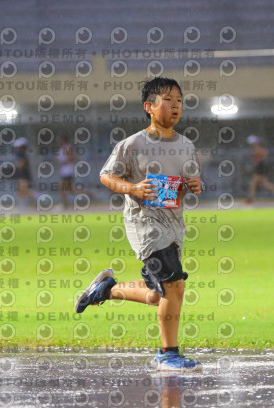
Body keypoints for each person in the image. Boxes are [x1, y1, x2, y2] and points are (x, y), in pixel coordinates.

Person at [74, 77, 204, 372]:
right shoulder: (133, 144)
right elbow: (106, 175)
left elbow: (185, 184)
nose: (175, 106)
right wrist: (132, 188)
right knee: (174, 285)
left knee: (158, 294)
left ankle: (106, 289)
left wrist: (193, 185)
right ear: (149, 107)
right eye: (167, 100)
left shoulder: (186, 146)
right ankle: (167, 354)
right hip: (145, 223)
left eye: (179, 101)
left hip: (174, 225)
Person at [246, 135, 274, 203]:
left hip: (260, 166)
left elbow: (263, 154)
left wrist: (255, 156)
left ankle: (250, 198)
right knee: (265, 184)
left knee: (253, 183)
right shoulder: (257, 148)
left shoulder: (258, 148)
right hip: (260, 166)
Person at [11, 137, 38, 209]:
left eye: (19, 147)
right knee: (19, 191)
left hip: (24, 176)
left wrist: (14, 167)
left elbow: (20, 165)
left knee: (24, 191)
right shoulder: (20, 155)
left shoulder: (22, 156)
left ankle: (39, 196)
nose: (18, 148)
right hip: (21, 176)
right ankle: (22, 205)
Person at [56, 134, 78, 209]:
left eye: (60, 140)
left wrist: (64, 161)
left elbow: (72, 158)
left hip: (68, 171)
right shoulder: (62, 149)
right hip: (64, 172)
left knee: (62, 188)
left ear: (63, 140)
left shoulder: (67, 147)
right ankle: (89, 194)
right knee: (71, 190)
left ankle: (65, 205)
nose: (58, 141)